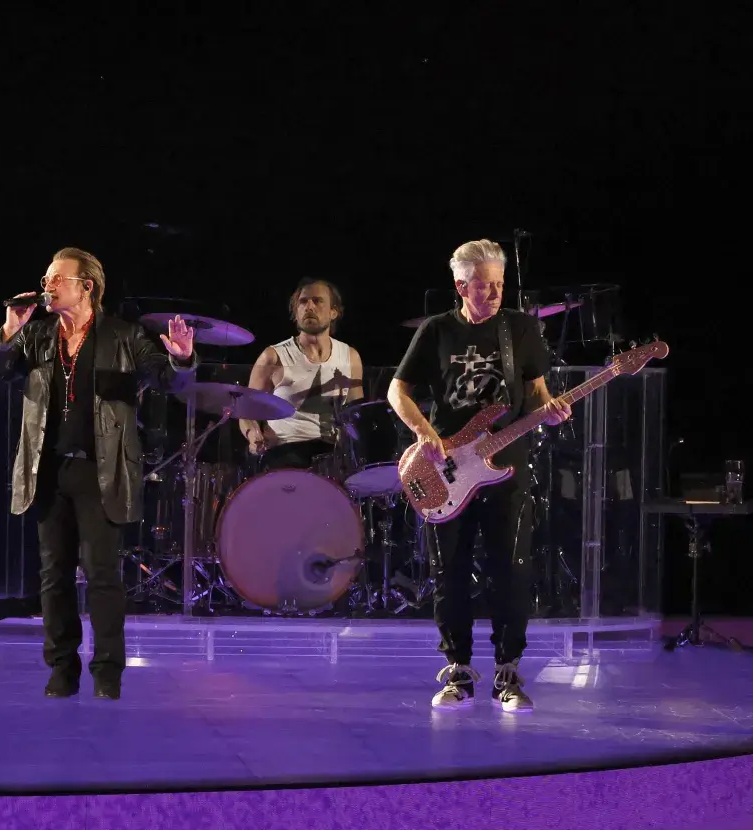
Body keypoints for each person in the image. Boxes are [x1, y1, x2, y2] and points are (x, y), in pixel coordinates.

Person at [0, 247, 196, 700]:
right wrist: (8, 331)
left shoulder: (123, 336)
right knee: (53, 576)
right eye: (46, 278)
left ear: (86, 287)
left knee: (102, 575)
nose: (47, 285)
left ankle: (107, 673)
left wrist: (181, 359)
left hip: (102, 472)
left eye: (57, 278)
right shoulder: (36, 335)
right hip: (49, 471)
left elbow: (169, 381)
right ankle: (62, 668)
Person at [388, 239, 571, 713]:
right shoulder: (436, 330)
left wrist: (549, 410)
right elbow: (396, 390)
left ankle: (508, 671)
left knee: (511, 568)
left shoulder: (520, 328)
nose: (492, 293)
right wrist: (424, 431)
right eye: (483, 286)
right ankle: (458, 671)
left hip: (507, 465)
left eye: (498, 285)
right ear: (460, 286)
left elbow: (536, 390)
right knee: (449, 572)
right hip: (447, 467)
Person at [238, 277, 364, 471]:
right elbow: (246, 411)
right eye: (303, 302)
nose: (309, 307)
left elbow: (356, 413)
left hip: (332, 452)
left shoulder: (350, 356)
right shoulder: (274, 356)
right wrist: (253, 434)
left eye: (317, 301)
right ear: (296, 312)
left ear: (334, 312)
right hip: (284, 451)